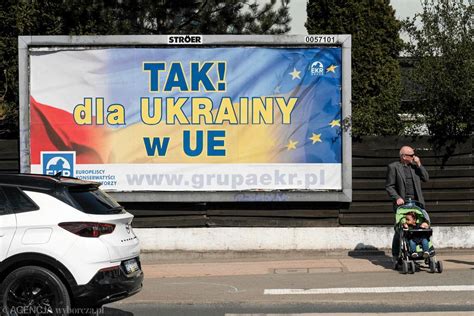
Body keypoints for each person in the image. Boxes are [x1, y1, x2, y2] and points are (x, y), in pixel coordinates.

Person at [386, 145, 429, 263]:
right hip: (402, 205)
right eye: (411, 155)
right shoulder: (393, 167)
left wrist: (419, 164)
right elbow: (389, 186)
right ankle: (395, 255)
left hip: (417, 204)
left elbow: (426, 178)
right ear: (404, 156)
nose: (413, 157)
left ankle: (420, 250)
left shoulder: (415, 167)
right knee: (400, 230)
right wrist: (397, 198)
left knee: (421, 227)